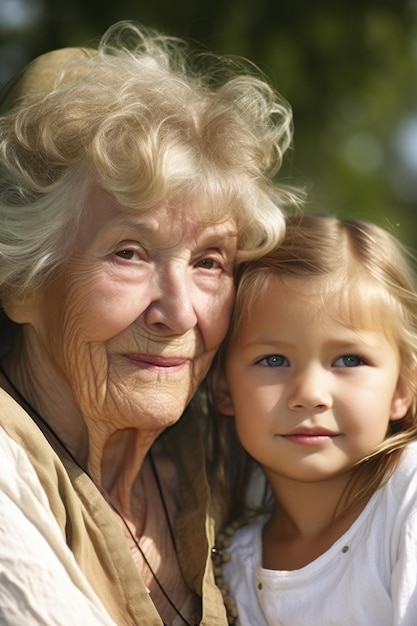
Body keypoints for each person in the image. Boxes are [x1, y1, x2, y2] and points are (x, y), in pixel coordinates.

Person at [0, 20, 299, 626]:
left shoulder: (231, 456)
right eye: (129, 253)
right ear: (23, 281)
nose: (181, 313)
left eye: (210, 262)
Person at [210, 214, 417, 625]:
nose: (309, 395)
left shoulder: (408, 498)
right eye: (273, 360)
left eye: (348, 359)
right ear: (223, 387)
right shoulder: (231, 565)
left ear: (401, 389)